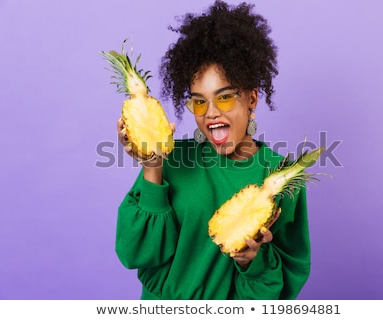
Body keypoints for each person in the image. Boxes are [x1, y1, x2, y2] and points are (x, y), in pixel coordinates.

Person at [116, 0, 311, 300]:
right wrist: (153, 167)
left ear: (252, 99)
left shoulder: (277, 177)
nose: (210, 113)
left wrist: (251, 261)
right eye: (199, 101)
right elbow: (136, 254)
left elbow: (278, 292)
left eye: (224, 98)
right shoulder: (170, 159)